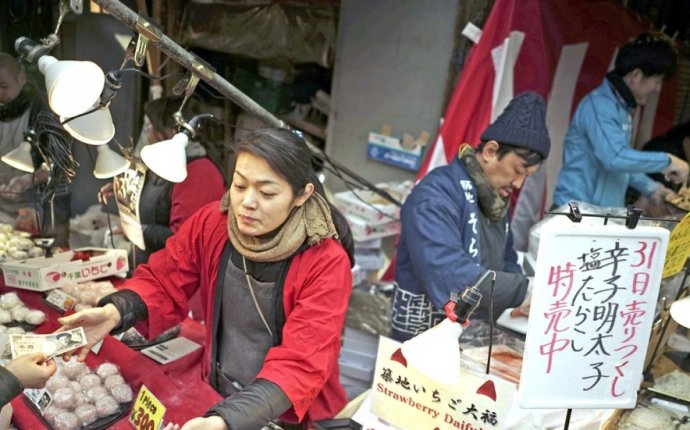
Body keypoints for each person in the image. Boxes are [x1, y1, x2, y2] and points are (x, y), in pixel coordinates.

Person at [59, 128, 355, 429]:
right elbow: (165, 277)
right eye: (240, 186)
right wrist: (115, 311)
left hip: (291, 411)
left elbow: (300, 363)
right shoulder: (214, 223)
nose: (247, 203)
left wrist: (226, 420)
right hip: (219, 388)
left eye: (266, 193)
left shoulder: (325, 261)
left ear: (301, 195)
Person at [390, 91, 550, 342]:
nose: (518, 183)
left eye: (527, 176)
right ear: (490, 150)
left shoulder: (494, 198)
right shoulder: (435, 196)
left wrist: (523, 292)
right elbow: (448, 273)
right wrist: (524, 290)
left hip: (472, 339)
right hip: (423, 340)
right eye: (518, 170)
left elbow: (507, 262)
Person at [553, 31, 688, 209]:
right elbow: (615, 158)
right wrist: (668, 161)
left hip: (600, 218)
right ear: (636, 75)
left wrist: (652, 188)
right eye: (657, 81)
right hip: (576, 216)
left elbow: (620, 167)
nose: (657, 89)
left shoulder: (622, 108)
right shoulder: (600, 105)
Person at [100, 95, 226, 267]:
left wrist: (137, 230)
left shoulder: (199, 174)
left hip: (174, 281)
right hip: (147, 270)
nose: (146, 133)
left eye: (149, 127)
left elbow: (183, 239)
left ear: (171, 133)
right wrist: (122, 188)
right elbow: (158, 198)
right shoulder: (164, 162)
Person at [0, 52, 72, 246]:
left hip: (44, 206)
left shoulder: (45, 110)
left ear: (21, 78)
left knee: (51, 258)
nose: (0, 94)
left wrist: (27, 180)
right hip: (5, 207)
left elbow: (60, 164)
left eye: (4, 86)